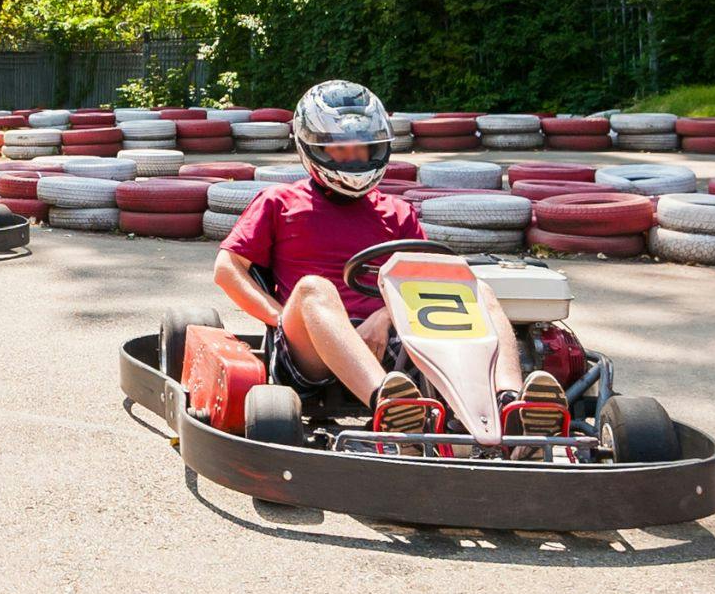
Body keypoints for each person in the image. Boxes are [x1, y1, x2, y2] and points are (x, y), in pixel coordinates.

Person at [211, 80, 566, 436]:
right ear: (313, 147)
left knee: (478, 290)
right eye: (341, 149)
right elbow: (228, 270)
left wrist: (382, 319)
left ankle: (509, 403)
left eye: (363, 149)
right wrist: (280, 317)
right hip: (310, 349)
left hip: (394, 342)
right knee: (313, 289)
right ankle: (390, 406)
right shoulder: (279, 203)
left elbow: (430, 283)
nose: (354, 158)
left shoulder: (397, 212)